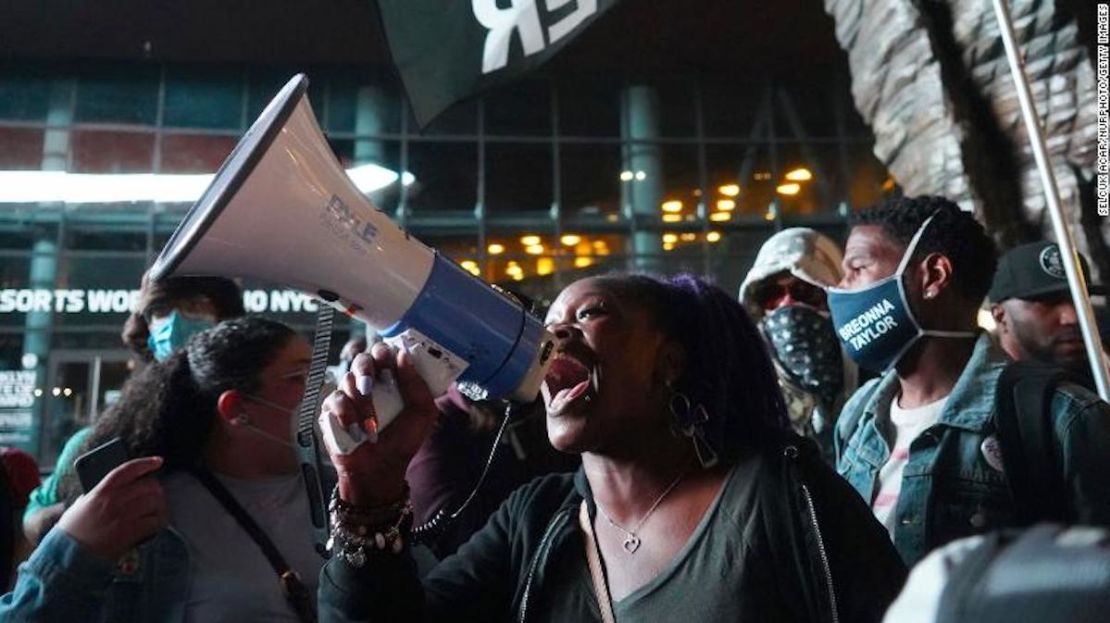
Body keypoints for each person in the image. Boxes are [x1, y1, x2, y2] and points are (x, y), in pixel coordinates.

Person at [316, 273, 906, 622]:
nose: (555, 333)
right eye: (549, 322)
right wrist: (367, 489)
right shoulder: (537, 522)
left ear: (670, 361)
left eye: (591, 313)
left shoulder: (780, 494)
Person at [831, 195, 1110, 566]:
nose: (841, 287)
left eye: (857, 268)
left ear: (933, 276)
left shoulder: (1063, 417)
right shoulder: (859, 414)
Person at [1, 316, 322, 622]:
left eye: (321, 375)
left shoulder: (344, 491)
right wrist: (75, 549)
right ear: (236, 409)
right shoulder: (147, 513)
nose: (323, 391)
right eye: (299, 378)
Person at [22, 274, 245, 548]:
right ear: (146, 331)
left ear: (227, 322)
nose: (175, 323)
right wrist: (82, 513)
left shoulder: (256, 422)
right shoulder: (100, 442)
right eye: (160, 311)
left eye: (193, 306)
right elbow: (34, 519)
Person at [738, 227, 858, 458]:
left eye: (804, 290)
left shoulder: (879, 377)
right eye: (771, 293)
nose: (788, 303)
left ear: (834, 293)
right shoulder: (744, 394)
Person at [989, 241, 1107, 380]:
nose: (1072, 317)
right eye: (1050, 302)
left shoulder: (1101, 381)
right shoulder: (982, 395)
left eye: (1081, 301)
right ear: (1000, 316)